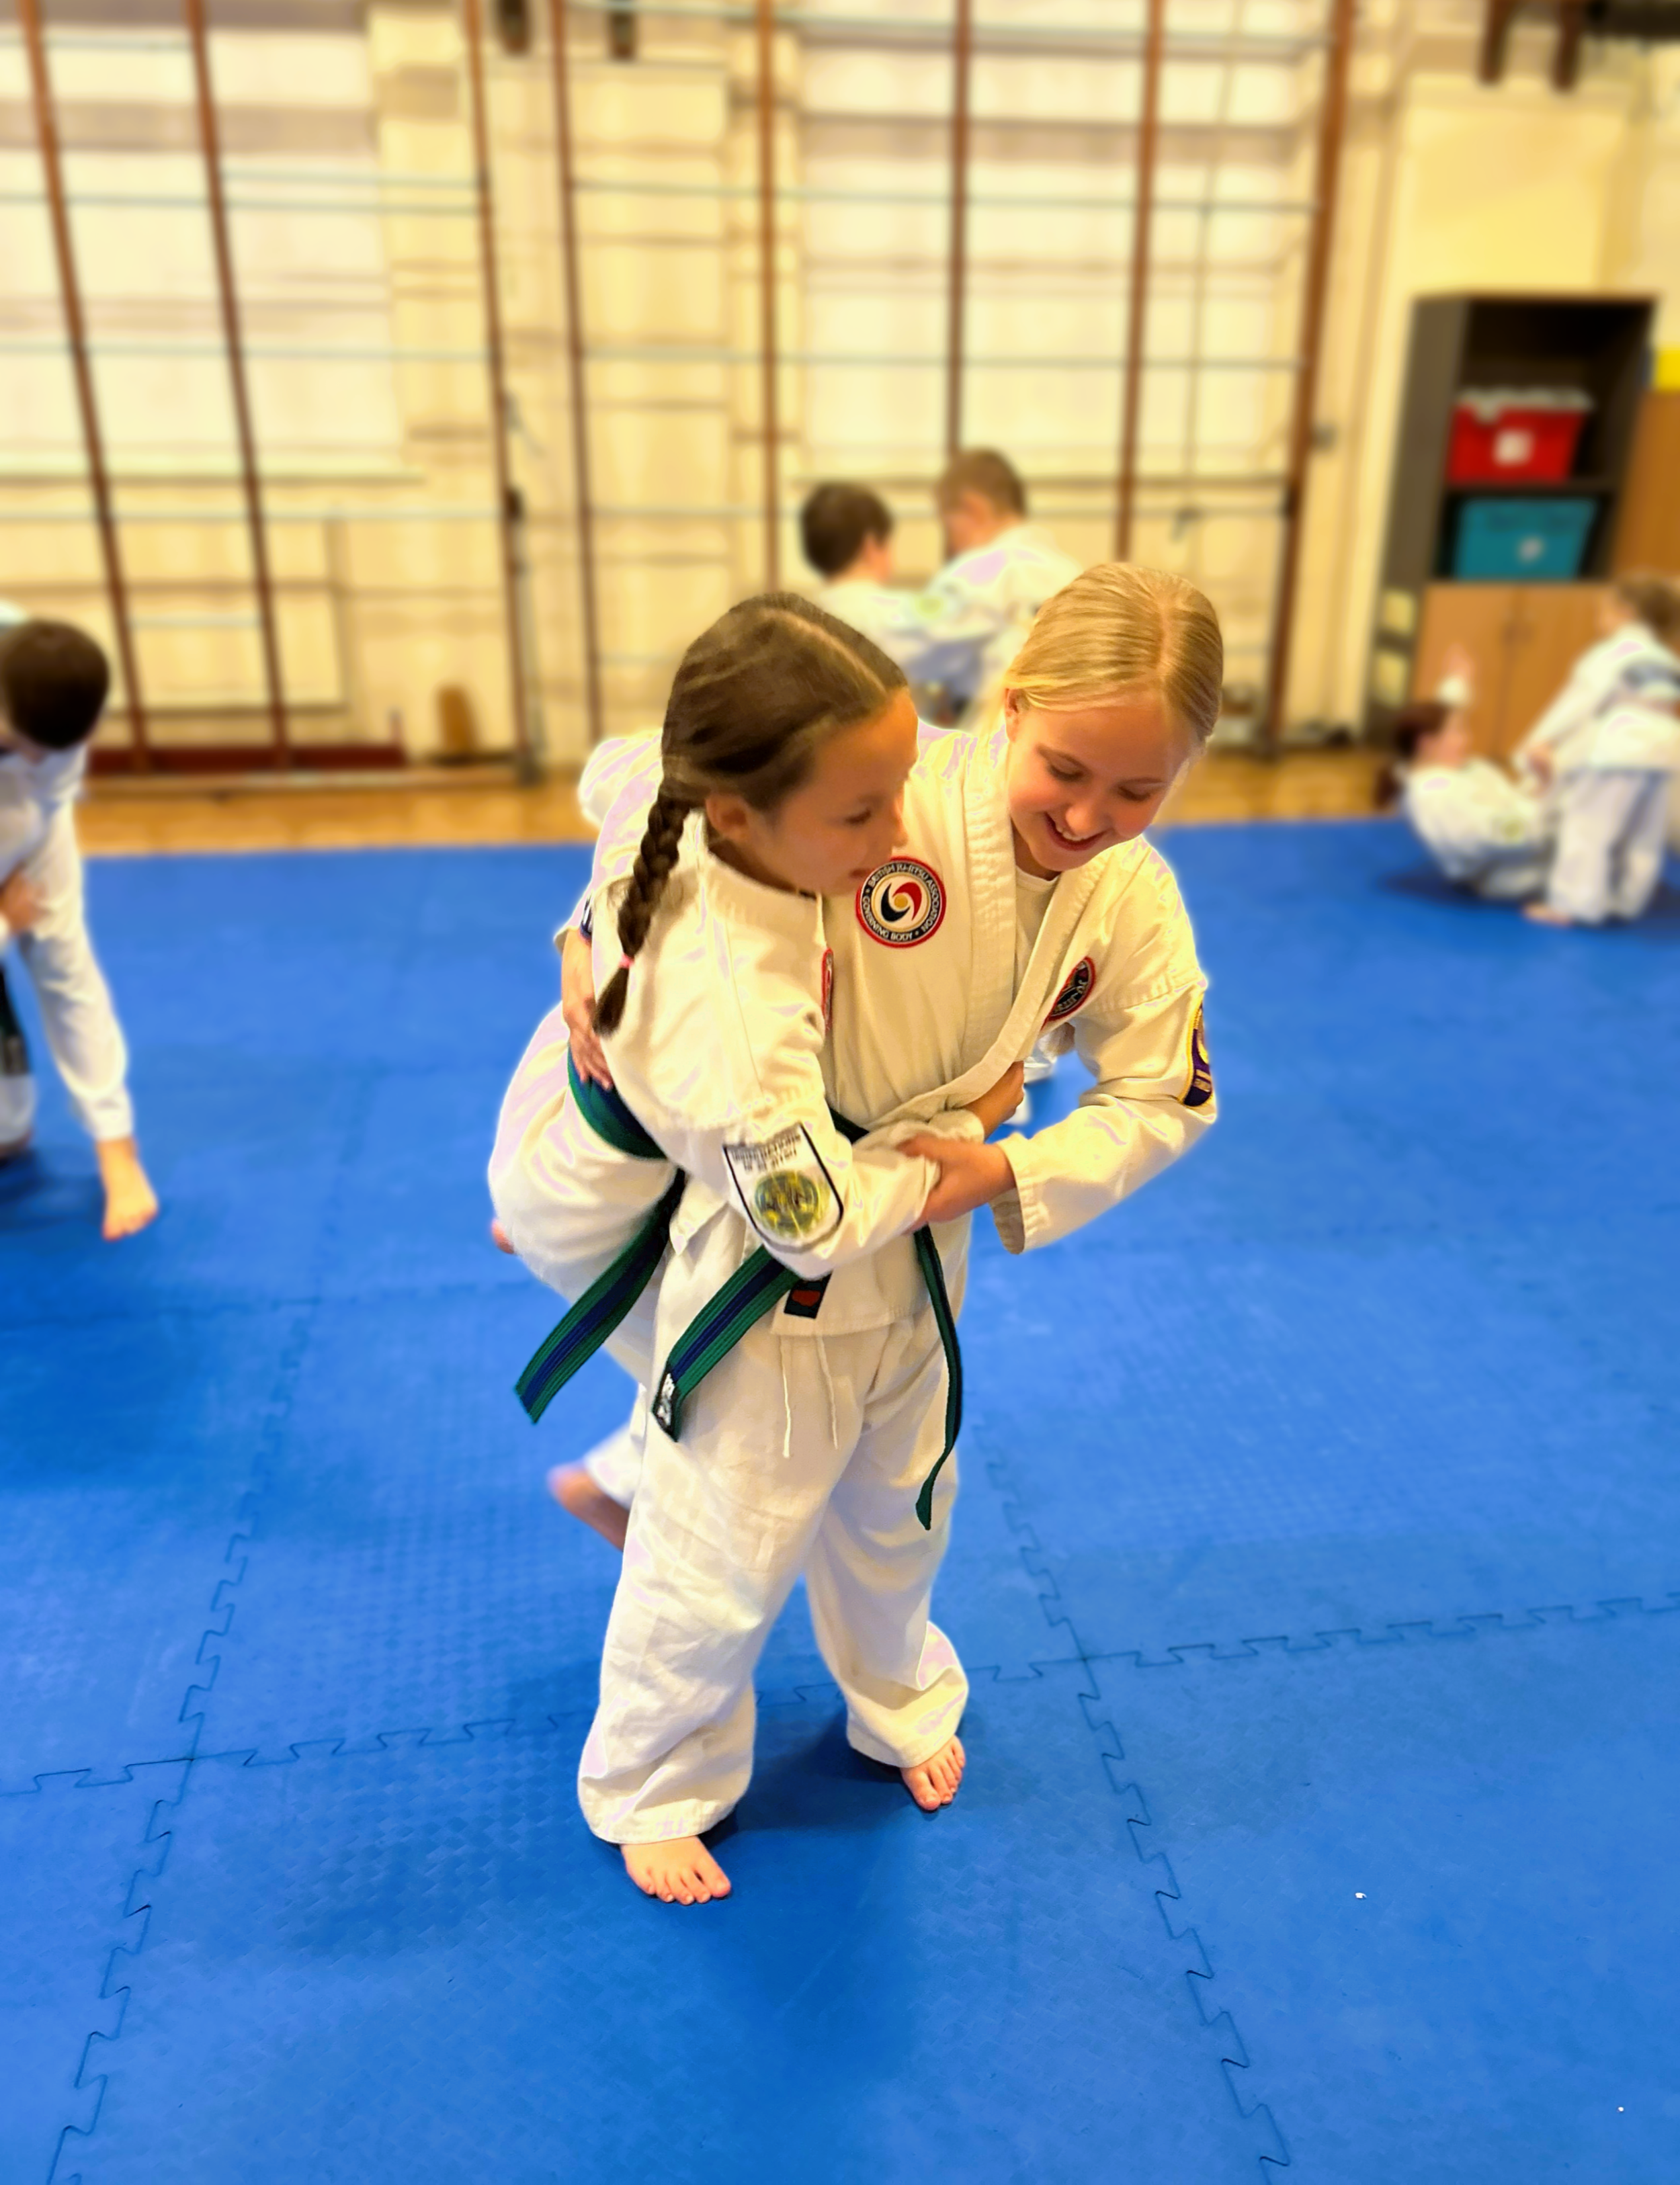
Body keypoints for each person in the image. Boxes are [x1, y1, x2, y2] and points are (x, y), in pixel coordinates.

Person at [541, 562, 1222, 1904]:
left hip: (925, 1234)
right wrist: (593, 934)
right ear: (1011, 703)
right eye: (1066, 769)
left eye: (1138, 790)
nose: (1090, 817)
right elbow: (655, 777)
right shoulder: (882, 777)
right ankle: (652, 1780)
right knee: (722, 1539)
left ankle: (899, 1700)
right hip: (774, 1222)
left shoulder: (1128, 899)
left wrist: (1007, 1168)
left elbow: (1164, 1092)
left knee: (903, 1508)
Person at [493, 595, 1018, 1546]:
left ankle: (610, 1469)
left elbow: (616, 773)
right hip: (606, 1200)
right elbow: (811, 1227)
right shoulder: (738, 1012)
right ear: (734, 814)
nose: (900, 834)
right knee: (763, 1388)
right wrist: (971, 1130)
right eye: (862, 811)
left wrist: (582, 925)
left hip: (588, 1114)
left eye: (901, 788)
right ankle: (628, 1490)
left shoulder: (690, 786)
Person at [0, 607, 157, 1238]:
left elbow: (64, 967)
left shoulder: (49, 694)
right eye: (20, 746)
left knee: (65, 960)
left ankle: (119, 1153)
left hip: (26, 818)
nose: (42, 762)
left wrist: (113, 1141)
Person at [1513, 574, 1680, 927]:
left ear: (1625, 612)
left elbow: (1578, 702)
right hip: (1666, 749)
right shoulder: (1667, 658)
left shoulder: (1611, 653)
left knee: (1588, 824)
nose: (1598, 619)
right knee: (1644, 833)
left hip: (1618, 748)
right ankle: (1628, 901)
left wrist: (1541, 741)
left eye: (1602, 610)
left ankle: (1572, 904)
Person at [921, 448, 1083, 716]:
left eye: (950, 528)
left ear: (974, 508)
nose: (952, 542)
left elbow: (917, 655)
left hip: (990, 735)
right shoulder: (1073, 574)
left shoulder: (973, 575)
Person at [1386, 666, 1553, 902]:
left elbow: (1507, 805)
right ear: (1427, 744)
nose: (1467, 739)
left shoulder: (1451, 771)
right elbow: (1496, 833)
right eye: (1457, 732)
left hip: (1523, 843)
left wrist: (1543, 785)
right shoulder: (1436, 794)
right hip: (1509, 875)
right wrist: (1549, 820)